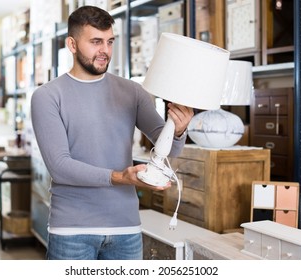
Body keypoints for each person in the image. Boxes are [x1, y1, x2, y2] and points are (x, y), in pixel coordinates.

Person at [30, 5, 194, 260]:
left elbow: (169, 149)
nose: (104, 51)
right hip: (72, 231)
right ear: (72, 45)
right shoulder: (48, 96)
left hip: (125, 229)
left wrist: (179, 128)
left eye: (109, 42)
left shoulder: (133, 92)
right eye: (95, 42)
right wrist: (119, 177)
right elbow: (60, 166)